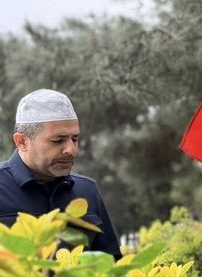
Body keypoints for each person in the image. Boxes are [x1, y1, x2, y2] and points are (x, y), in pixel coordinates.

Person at [0, 89, 120, 258]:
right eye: (58, 140)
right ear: (22, 142)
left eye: (75, 139)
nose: (71, 149)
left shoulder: (88, 191)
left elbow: (111, 266)